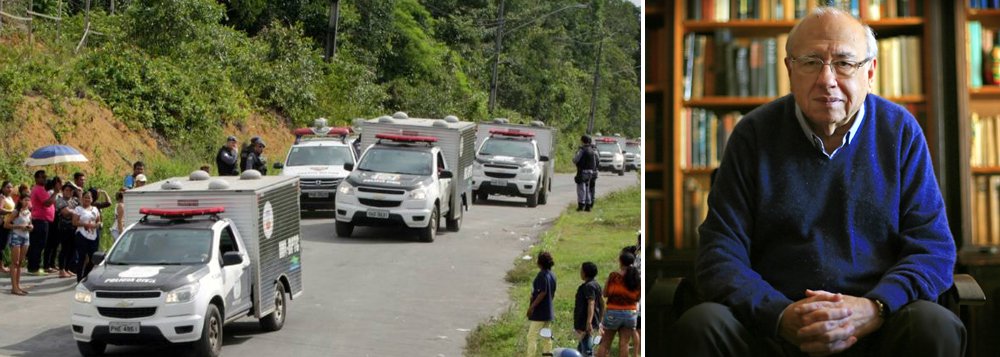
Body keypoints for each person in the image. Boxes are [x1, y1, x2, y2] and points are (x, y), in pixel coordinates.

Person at [672, 7, 963, 357]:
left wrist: (874, 308)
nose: (827, 79)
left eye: (843, 63)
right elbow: (719, 253)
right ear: (789, 69)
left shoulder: (900, 132)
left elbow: (933, 249)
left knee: (934, 326)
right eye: (811, 62)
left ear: (870, 71)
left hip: (876, 328)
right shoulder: (752, 134)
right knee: (702, 325)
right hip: (771, 328)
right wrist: (779, 314)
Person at [596, 251, 640, 357]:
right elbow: (638, 298)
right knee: (624, 344)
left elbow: (605, 293)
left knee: (605, 343)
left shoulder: (614, 276)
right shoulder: (637, 278)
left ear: (620, 261)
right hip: (631, 314)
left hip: (613, 313)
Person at [526, 251, 557, 357]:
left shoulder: (542, 275)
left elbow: (542, 292)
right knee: (546, 335)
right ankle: (547, 355)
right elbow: (551, 294)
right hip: (548, 311)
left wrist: (532, 307)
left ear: (540, 262)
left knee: (531, 336)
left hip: (540, 312)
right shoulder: (552, 275)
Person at [27, 170, 57, 276]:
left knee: (38, 244)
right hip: (40, 221)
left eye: (45, 177)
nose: (44, 179)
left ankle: (33, 266)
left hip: (42, 221)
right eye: (42, 177)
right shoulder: (39, 189)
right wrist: (56, 192)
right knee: (38, 245)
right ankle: (34, 268)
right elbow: (47, 203)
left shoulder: (41, 189)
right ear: (36, 178)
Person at [574, 261, 604, 357]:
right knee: (581, 346)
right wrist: (600, 320)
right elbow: (602, 303)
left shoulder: (588, 287)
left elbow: (591, 303)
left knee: (587, 349)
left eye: (581, 270)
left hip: (585, 322)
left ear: (585, 273)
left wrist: (589, 322)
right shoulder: (596, 285)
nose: (580, 272)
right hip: (591, 320)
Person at [6, 195, 33, 295]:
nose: (27, 202)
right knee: (15, 262)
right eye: (25, 200)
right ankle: (14, 287)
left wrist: (31, 226)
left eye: (29, 200)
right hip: (16, 236)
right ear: (21, 201)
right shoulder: (16, 212)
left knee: (21, 262)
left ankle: (17, 285)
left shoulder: (29, 212)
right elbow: (6, 224)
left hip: (26, 237)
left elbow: (30, 223)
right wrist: (19, 226)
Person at [73, 191, 101, 282]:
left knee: (93, 259)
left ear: (92, 199)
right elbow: (74, 222)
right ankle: (79, 279)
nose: (87, 199)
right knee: (82, 258)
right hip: (82, 235)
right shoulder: (78, 209)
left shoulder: (95, 209)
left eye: (89, 198)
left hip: (93, 235)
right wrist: (85, 224)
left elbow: (98, 221)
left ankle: (85, 276)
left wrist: (96, 225)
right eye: (85, 197)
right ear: (82, 198)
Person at [55, 182, 80, 279]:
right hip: (64, 228)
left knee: (73, 249)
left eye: (71, 190)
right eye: (67, 190)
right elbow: (66, 212)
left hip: (74, 228)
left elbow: (83, 208)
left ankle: (67, 268)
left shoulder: (75, 200)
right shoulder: (60, 200)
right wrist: (77, 213)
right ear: (63, 191)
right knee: (64, 249)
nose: (69, 192)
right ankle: (61, 270)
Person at [572, 135, 599, 212]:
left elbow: (575, 160)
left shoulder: (582, 150)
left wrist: (574, 159)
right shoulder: (592, 150)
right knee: (588, 189)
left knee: (581, 189)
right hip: (590, 172)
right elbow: (595, 162)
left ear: (582, 141)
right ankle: (588, 205)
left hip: (582, 171)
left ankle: (581, 205)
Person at [0, 181, 14, 274]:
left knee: (3, 245)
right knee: (1, 245)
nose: (10, 189)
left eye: (11, 187)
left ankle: (1, 265)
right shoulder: (2, 197)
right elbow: (0, 209)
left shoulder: (10, 198)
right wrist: (11, 212)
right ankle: (1, 266)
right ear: (3, 188)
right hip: (2, 224)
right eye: (7, 187)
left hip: (8, 224)